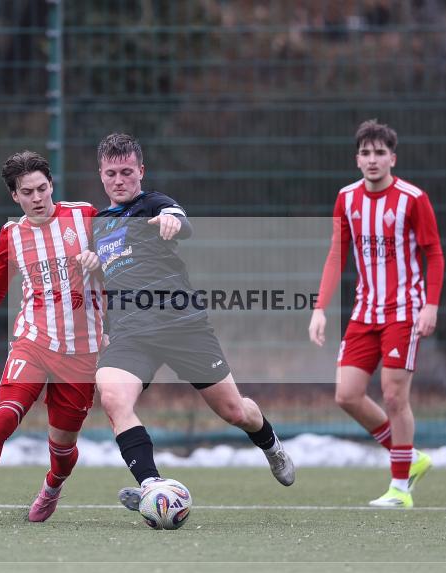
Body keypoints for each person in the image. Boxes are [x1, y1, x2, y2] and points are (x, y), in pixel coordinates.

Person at [81, 132, 295, 511]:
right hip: (131, 332)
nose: (119, 180)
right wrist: (95, 265)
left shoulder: (153, 204)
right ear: (101, 175)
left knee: (234, 411)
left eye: (127, 172)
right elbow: (113, 274)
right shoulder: (98, 225)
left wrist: (171, 221)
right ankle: (151, 485)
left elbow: (180, 220)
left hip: (182, 325)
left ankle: (271, 444)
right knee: (113, 397)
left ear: (141, 171)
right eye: (111, 173)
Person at [0, 151, 102, 525]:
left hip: (80, 352)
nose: (37, 198)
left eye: (42, 188)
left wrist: (100, 262)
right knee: (4, 416)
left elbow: (121, 263)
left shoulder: (86, 216)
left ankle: (53, 485)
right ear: (14, 195)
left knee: (63, 449)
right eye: (27, 192)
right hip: (33, 341)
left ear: (52, 185)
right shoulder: (11, 234)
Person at [308, 120, 443, 508]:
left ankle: (400, 488)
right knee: (347, 395)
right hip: (364, 312)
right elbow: (337, 255)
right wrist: (320, 308)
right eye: (365, 153)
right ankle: (409, 457)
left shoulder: (413, 199)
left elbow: (434, 254)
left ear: (392, 159)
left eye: (380, 153)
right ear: (357, 159)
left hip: (404, 311)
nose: (372, 159)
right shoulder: (346, 198)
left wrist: (430, 305)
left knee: (394, 395)